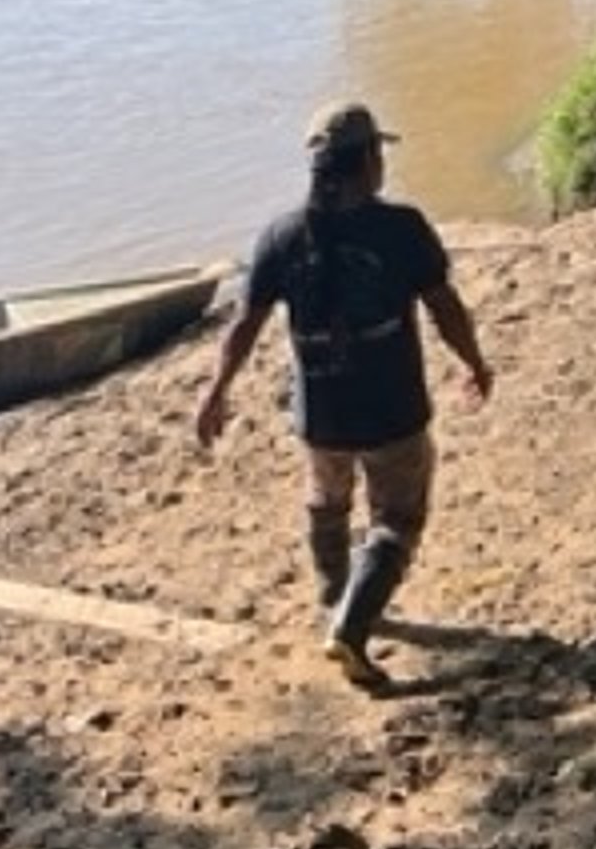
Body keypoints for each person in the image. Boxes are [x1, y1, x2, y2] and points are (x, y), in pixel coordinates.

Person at [194, 99, 494, 687]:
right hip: (392, 412)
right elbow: (445, 309)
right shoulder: (402, 229)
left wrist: (216, 390)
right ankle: (351, 630)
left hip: (320, 414)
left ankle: (335, 593)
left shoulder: (281, 237)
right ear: (369, 163)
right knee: (398, 517)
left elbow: (245, 325)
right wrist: (475, 362)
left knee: (327, 501)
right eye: (379, 155)